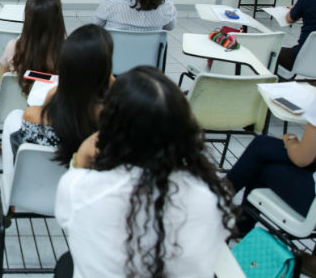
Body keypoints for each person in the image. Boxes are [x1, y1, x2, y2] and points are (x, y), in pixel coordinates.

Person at [56, 66, 233, 278]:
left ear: (111, 127)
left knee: (67, 262)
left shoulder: (81, 188)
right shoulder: (213, 198)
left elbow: (66, 217)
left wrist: (81, 158)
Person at [227, 6, 316, 235]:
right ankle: (225, 208)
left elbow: (303, 158)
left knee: (262, 166)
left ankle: (227, 215)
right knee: (263, 145)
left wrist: (291, 142)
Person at [1, 25, 113, 185]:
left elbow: (47, 108)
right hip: (84, 195)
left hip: (34, 193)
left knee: (14, 117)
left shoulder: (35, 114)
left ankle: (11, 186)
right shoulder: (113, 119)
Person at [0, 0, 65, 95]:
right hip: (53, 110)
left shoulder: (14, 47)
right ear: (59, 20)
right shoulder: (69, 51)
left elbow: (2, 80)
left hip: (17, 108)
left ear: (28, 18)